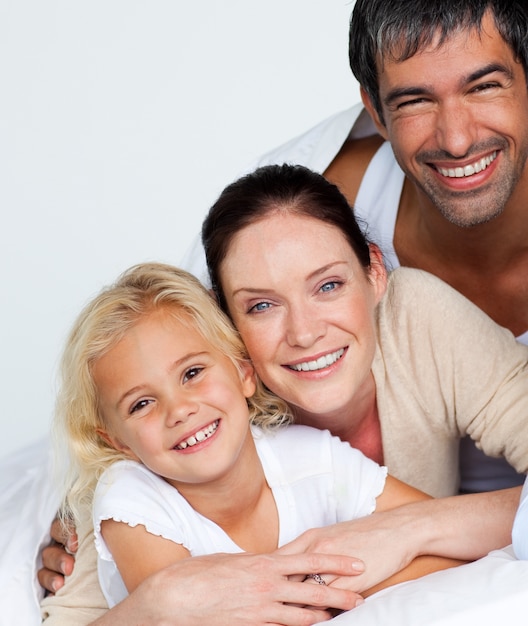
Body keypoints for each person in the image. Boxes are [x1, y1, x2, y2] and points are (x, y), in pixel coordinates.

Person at [40, 164, 526, 625]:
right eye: (263, 305)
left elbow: (451, 566)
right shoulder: (145, 473)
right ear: (225, 322)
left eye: (329, 285)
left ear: (374, 273)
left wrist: (404, 531)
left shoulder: (409, 327)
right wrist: (160, 599)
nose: (304, 333)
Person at [182, 0, 528, 495]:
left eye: (485, 86)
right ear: (377, 112)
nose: (455, 139)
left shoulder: (420, 311)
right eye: (414, 101)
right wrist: (102, 508)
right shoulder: (301, 209)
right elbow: (165, 370)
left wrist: (417, 527)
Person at [41, 261, 464, 623]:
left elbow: (444, 542)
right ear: (120, 443)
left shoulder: (312, 459)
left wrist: (331, 595)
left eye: (192, 374)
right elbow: (187, 618)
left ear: (244, 373)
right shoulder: (132, 500)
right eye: (142, 404)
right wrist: (336, 592)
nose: (179, 410)